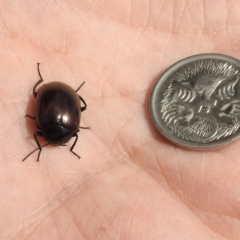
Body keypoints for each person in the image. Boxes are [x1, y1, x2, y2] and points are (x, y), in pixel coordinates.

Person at [1, 1, 237, 239]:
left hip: (55, 96)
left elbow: (45, 119)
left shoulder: (53, 128)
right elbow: (63, 114)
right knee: (62, 103)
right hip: (60, 97)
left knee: (52, 102)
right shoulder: (64, 128)